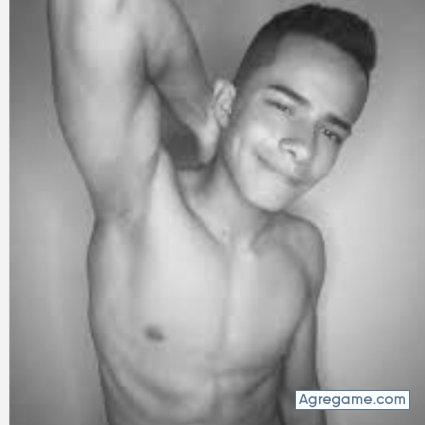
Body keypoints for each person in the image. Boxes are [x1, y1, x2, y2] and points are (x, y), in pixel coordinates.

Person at [47, 1, 376, 424]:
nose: (304, 146)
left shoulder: (306, 249)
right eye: (283, 106)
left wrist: (388, 401)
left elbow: (300, 397)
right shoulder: (138, 203)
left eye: (330, 131)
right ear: (226, 104)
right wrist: (199, 109)